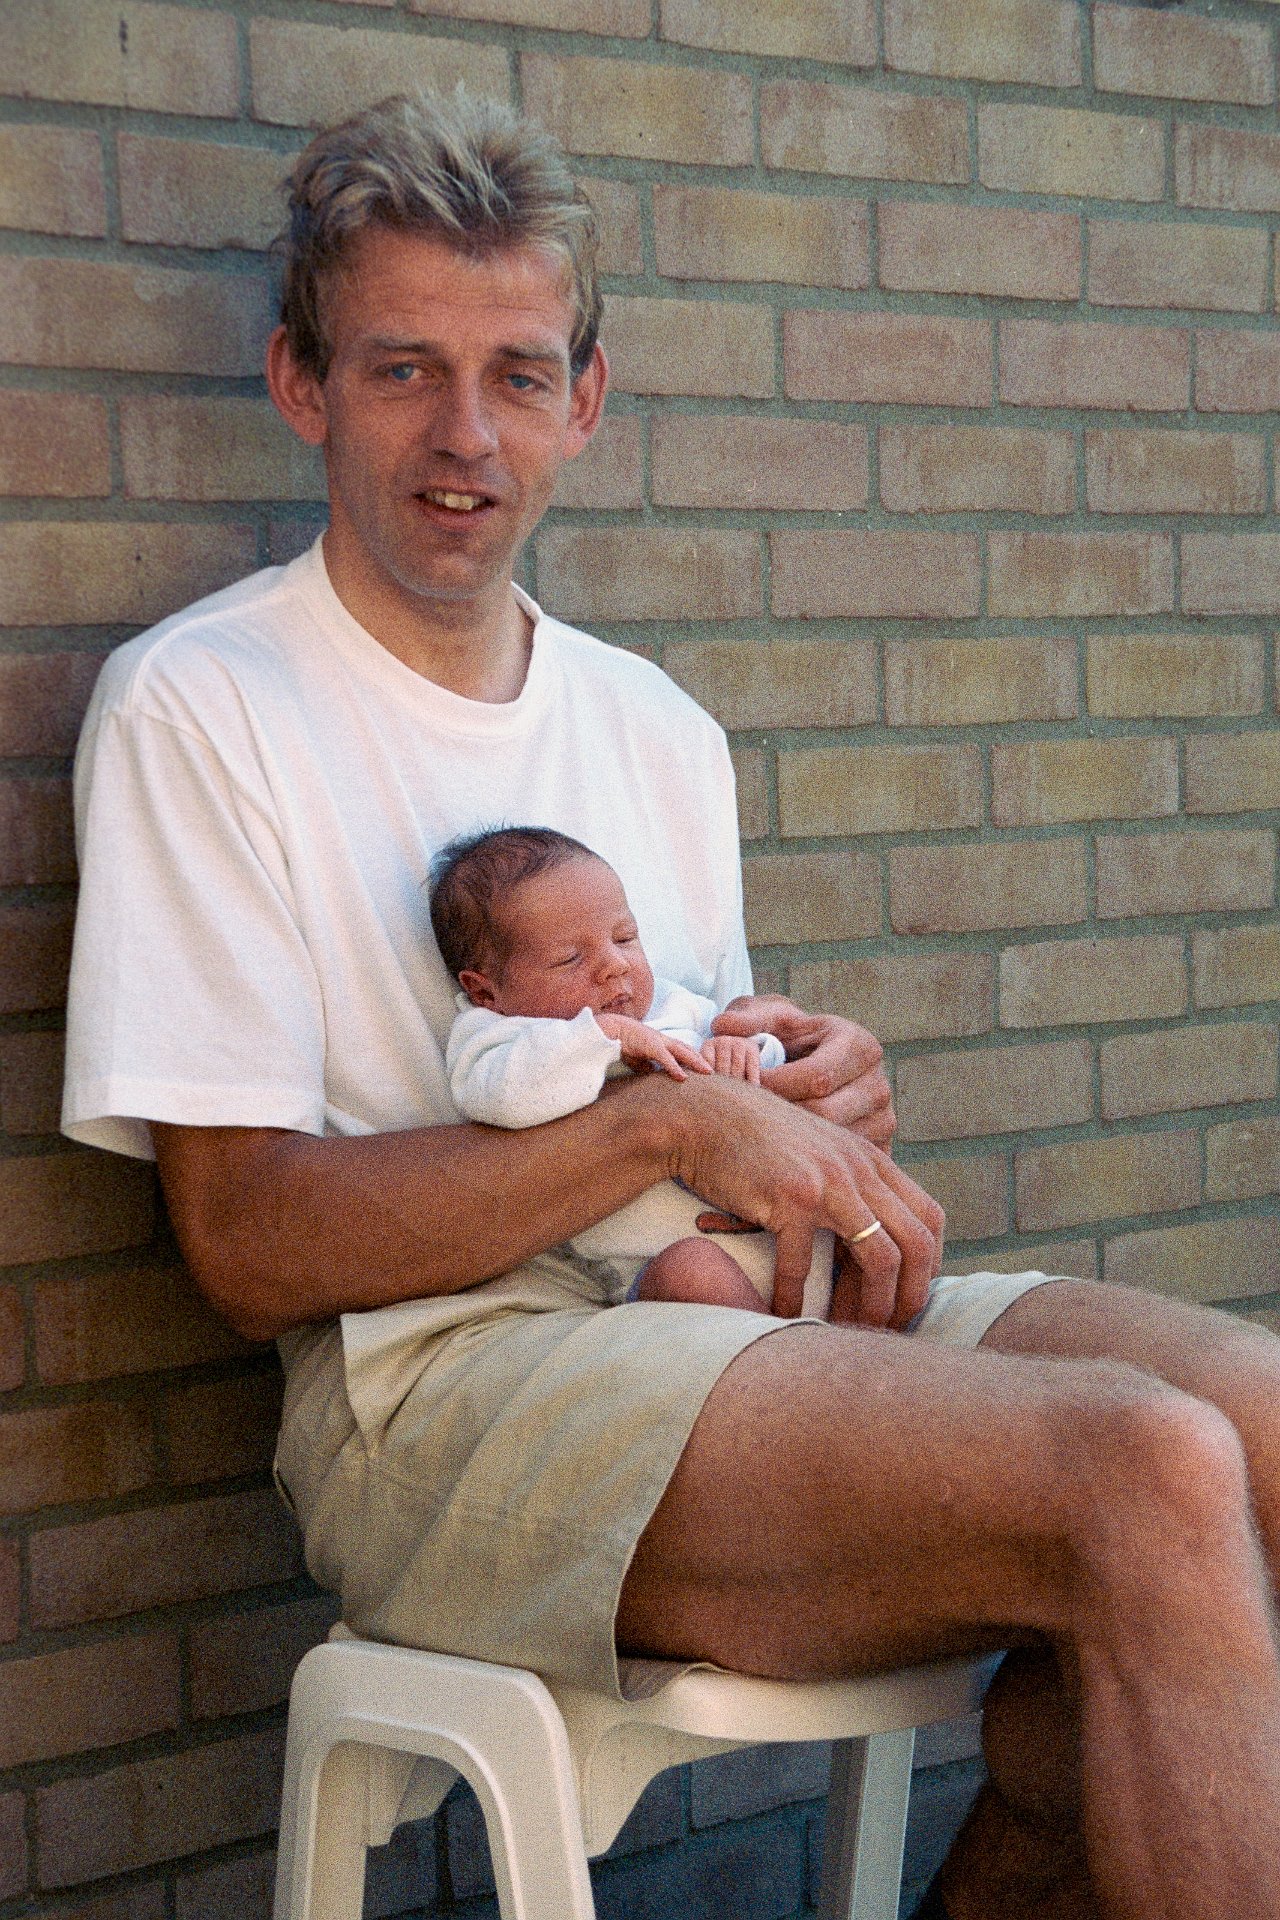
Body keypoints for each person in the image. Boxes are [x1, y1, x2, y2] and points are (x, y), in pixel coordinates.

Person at [61, 89, 1280, 1920]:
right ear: (302, 385)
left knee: (1256, 1425)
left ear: (588, 400)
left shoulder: (654, 726)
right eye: (402, 370)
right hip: (445, 1386)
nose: (465, 436)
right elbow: (244, 1243)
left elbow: (691, 1091)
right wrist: (669, 1125)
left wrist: (799, 1095)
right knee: (1146, 1466)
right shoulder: (203, 704)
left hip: (726, 1307)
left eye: (516, 375)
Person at [430, 823, 833, 1316]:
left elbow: (770, 1070)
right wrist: (604, 1037)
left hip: (794, 1229)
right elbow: (500, 1098)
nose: (614, 965)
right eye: (570, 959)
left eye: (624, 938)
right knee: (691, 1270)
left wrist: (745, 1049)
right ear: (485, 990)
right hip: (679, 1269)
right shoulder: (498, 1037)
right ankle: (786, 1352)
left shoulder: (672, 1005)